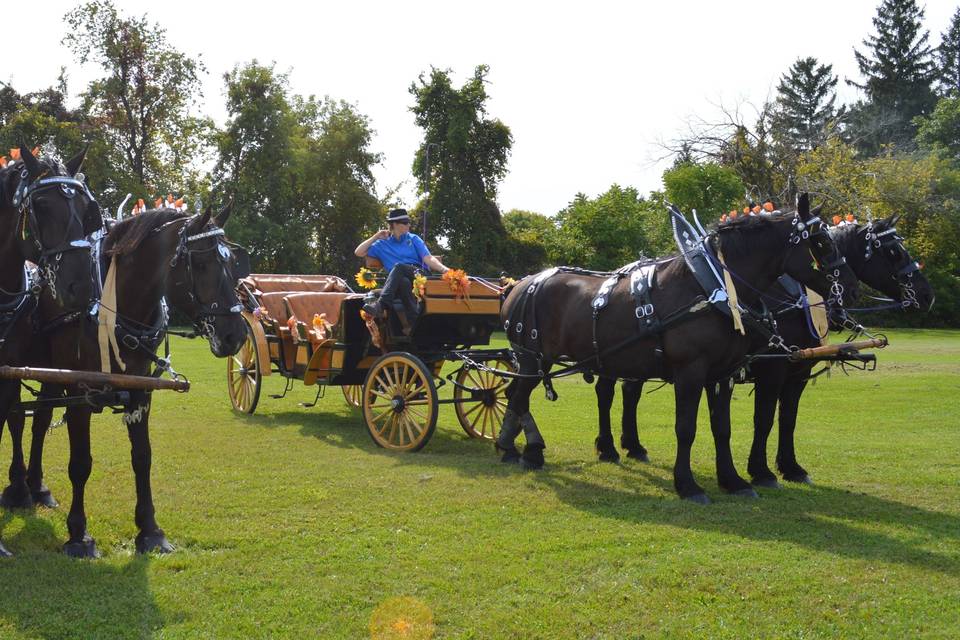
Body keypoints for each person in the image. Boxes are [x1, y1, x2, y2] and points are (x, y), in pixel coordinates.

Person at [354, 208, 451, 333]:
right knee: (403, 282)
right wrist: (375, 236)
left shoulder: (413, 238)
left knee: (399, 267)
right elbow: (358, 252)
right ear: (394, 224)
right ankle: (415, 324)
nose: (408, 224)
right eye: (405, 222)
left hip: (419, 276)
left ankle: (381, 304)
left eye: (408, 221)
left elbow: (428, 258)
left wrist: (444, 270)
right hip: (400, 282)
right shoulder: (382, 244)